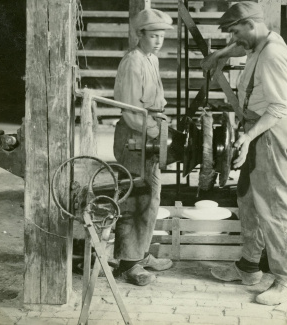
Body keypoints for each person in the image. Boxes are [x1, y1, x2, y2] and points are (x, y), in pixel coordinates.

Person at [201, 1, 287, 305]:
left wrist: (247, 136)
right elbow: (239, 47)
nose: (235, 39)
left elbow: (279, 108)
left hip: (270, 133)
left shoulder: (272, 55)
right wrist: (218, 55)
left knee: (276, 208)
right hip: (256, 132)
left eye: (236, 32)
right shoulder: (261, 41)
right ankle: (248, 267)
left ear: (250, 24)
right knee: (247, 200)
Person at [112, 9, 173, 286]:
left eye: (161, 36)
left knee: (152, 198)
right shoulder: (132, 63)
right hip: (134, 137)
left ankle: (141, 254)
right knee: (135, 200)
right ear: (140, 34)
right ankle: (128, 264)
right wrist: (155, 133)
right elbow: (130, 112)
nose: (159, 41)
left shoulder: (152, 59)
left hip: (149, 133)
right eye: (153, 35)